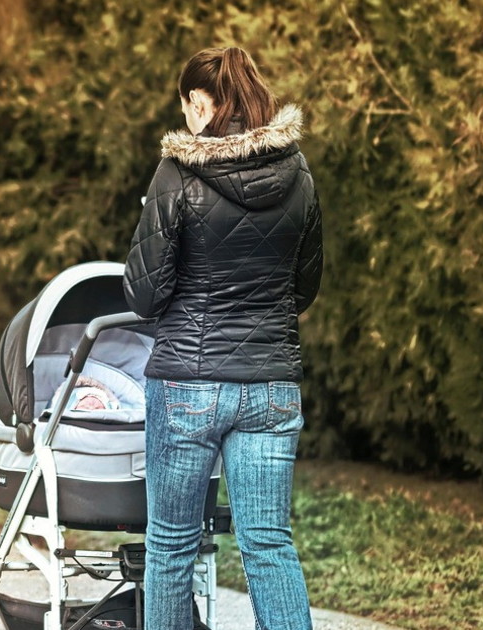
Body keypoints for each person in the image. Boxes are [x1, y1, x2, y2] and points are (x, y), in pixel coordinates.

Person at [122, 46, 323, 629]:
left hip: (188, 381)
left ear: (204, 102)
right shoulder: (299, 173)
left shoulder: (176, 174)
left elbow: (143, 294)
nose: (186, 115)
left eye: (188, 103)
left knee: (172, 545)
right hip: (271, 387)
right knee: (268, 545)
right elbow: (304, 287)